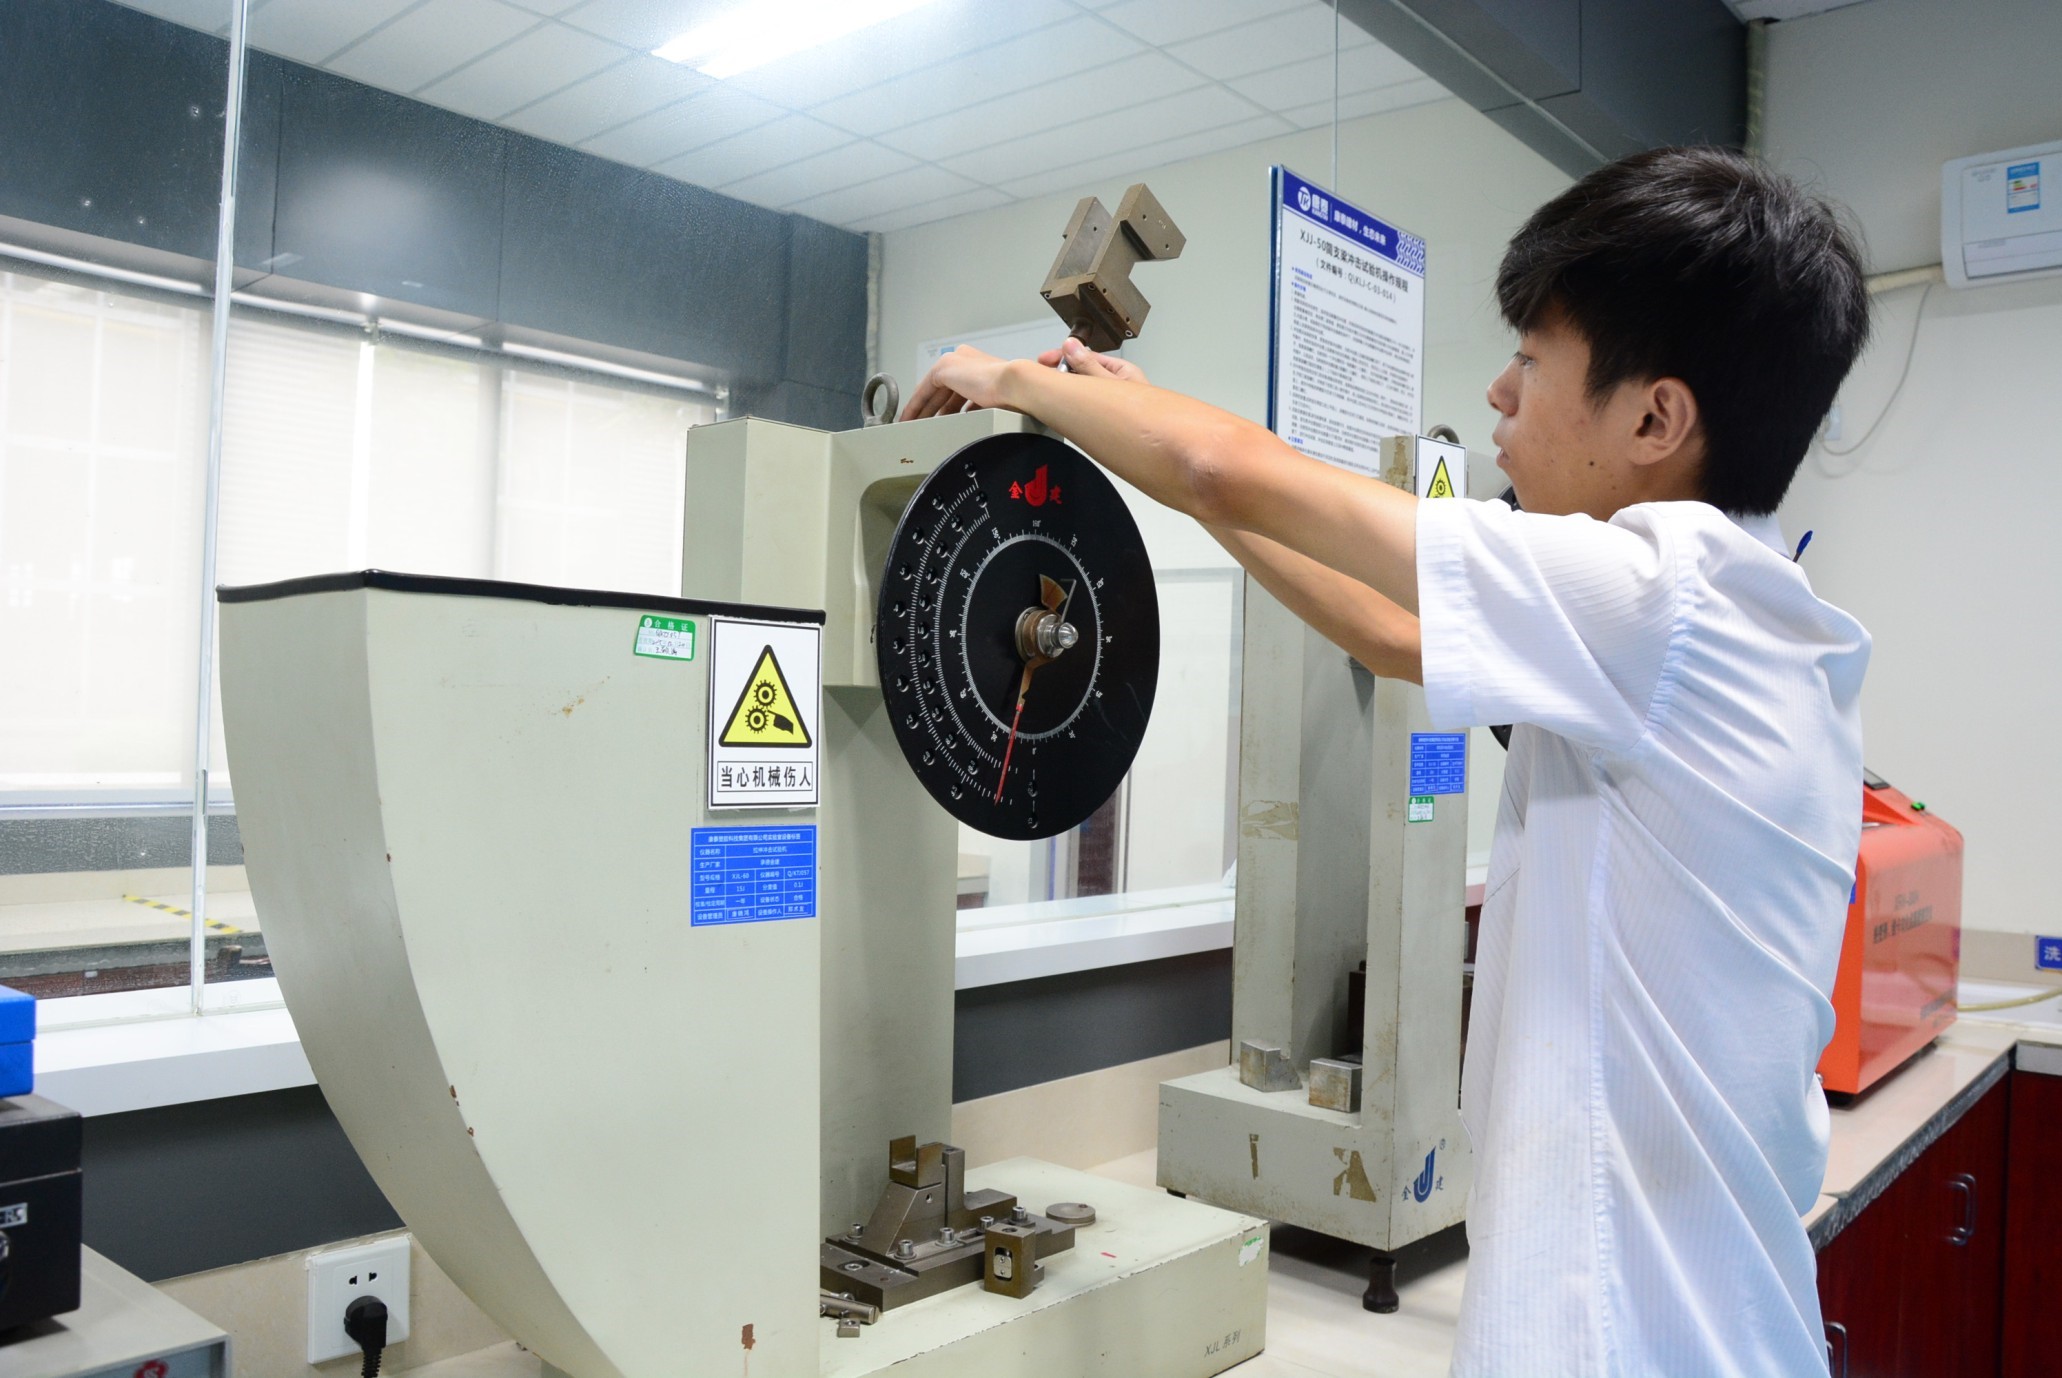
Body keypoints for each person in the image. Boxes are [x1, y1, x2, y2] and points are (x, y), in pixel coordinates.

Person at [902, 145, 1873, 1376]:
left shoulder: (1664, 599)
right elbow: (1388, 635)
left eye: (1532, 361)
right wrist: (1194, 488)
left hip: (1621, 1338)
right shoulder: (1738, 620)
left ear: (1652, 418)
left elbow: (1222, 461)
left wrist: (1006, 378)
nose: (1500, 392)